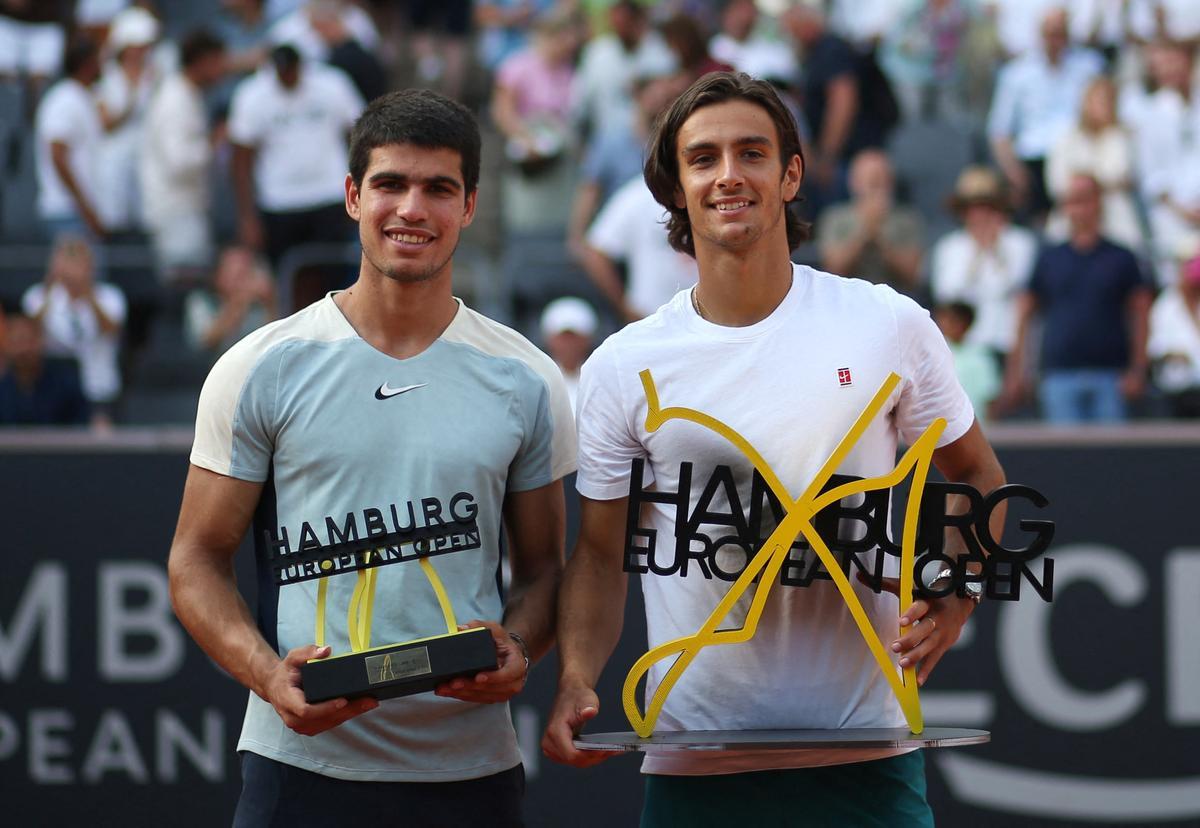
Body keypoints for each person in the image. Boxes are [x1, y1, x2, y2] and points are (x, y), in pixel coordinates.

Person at [541, 71, 1005, 826]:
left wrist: (958, 593)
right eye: (703, 158)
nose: (729, 175)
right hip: (694, 766)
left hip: (869, 761)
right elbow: (598, 554)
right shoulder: (624, 365)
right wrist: (577, 675)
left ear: (791, 175)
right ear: (676, 188)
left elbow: (977, 472)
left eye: (751, 153)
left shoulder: (887, 323)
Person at [168, 89, 575, 826]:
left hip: (471, 771)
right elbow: (195, 560)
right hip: (300, 766)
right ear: (354, 196)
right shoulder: (261, 365)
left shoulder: (528, 378)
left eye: (438, 189)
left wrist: (519, 645)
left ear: (471, 207)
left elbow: (546, 569)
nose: (412, 209)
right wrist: (269, 676)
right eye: (391, 184)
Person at [1004, 173, 1153, 423]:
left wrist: (1138, 370)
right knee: (1064, 459)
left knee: (1113, 458)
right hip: (1059, 374)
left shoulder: (1122, 257)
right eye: (1072, 201)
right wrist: (1017, 372)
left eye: (1085, 200)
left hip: (1112, 375)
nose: (1079, 209)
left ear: (1099, 203)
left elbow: (1140, 314)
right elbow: (1025, 314)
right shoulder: (1049, 257)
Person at [228, 43, 364, 269]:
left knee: (331, 270)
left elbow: (358, 137)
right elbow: (241, 160)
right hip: (279, 200)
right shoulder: (252, 94)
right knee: (287, 274)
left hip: (329, 194)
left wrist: (359, 192)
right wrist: (247, 217)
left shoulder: (332, 84)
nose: (287, 77)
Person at [987, 7, 1102, 222]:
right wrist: (1015, 174)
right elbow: (999, 132)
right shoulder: (1017, 73)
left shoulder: (1088, 66)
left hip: (1078, 159)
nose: (1055, 40)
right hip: (1033, 162)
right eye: (1050, 33)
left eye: (1060, 33)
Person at [141, 29, 228, 282]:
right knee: (184, 290)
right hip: (175, 214)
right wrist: (214, 142)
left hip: (186, 209)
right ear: (202, 61)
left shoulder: (187, 94)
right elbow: (178, 163)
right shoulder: (175, 99)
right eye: (217, 61)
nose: (222, 69)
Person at [928, 166, 1037, 367]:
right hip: (964, 348)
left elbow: (1017, 286)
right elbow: (948, 295)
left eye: (988, 207)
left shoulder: (1020, 242)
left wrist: (995, 250)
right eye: (973, 208)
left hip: (1006, 343)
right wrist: (978, 255)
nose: (980, 215)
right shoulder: (949, 247)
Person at [21, 235, 126, 428]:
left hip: (98, 389)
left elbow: (110, 329)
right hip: (52, 390)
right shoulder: (38, 296)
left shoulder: (110, 296)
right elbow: (29, 332)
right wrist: (52, 283)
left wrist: (86, 289)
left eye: (79, 260)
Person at [817, 148, 924, 297]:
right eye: (872, 181)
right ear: (854, 182)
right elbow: (833, 269)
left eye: (882, 180)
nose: (877, 187)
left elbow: (911, 276)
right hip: (848, 299)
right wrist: (866, 230)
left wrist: (880, 236)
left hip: (895, 299)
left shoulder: (906, 219)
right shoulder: (836, 218)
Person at [34, 36, 106, 242]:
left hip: (76, 212)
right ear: (88, 64)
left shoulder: (82, 97)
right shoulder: (64, 99)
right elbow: (57, 155)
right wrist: (86, 209)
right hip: (67, 212)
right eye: (99, 59)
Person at [184, 245, 277, 355]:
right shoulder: (201, 300)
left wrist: (270, 303)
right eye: (236, 275)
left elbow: (274, 340)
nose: (242, 282)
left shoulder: (258, 304)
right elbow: (206, 341)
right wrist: (235, 305)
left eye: (246, 273)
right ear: (218, 276)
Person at [0, 313, 90, 426]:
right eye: (16, 342)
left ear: (40, 341)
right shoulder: (3, 386)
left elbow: (81, 423)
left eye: (28, 341)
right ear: (6, 345)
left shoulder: (65, 382)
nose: (23, 349)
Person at [539, 296, 598, 413]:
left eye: (574, 338)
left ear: (587, 340)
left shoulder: (598, 378)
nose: (568, 345)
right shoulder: (538, 379)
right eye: (563, 338)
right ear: (549, 339)